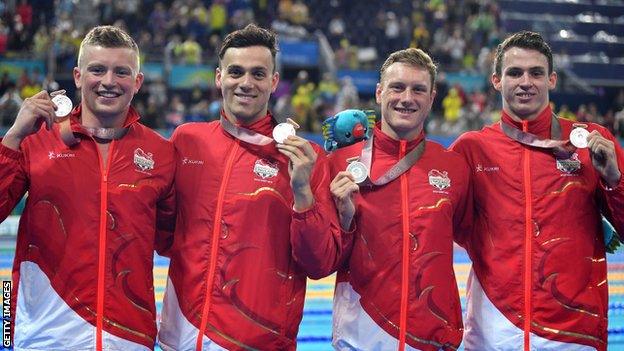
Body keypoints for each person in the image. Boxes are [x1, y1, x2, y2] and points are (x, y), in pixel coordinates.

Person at [157, 24, 341, 351]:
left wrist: (303, 194)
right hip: (181, 335)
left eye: (258, 74)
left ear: (273, 82)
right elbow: (162, 235)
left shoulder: (305, 158)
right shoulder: (187, 141)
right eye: (236, 72)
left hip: (257, 340)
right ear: (219, 77)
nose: (246, 83)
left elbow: (320, 264)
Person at [0, 26, 175, 350]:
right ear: (78, 76)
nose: (109, 81)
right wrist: (11, 139)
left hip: (128, 337)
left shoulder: (160, 153)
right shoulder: (36, 140)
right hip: (45, 335)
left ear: (137, 82)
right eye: (98, 69)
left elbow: (175, 244)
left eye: (121, 72)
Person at [450, 31, 624, 351]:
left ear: (552, 80)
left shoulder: (592, 142)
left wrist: (614, 181)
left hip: (574, 333)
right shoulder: (472, 149)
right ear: (496, 81)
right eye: (514, 73)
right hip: (494, 329)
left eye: (536, 73)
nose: (525, 81)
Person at [326, 48, 473, 350]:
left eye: (418, 89)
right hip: (362, 335)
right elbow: (321, 259)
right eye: (397, 87)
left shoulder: (454, 166)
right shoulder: (340, 163)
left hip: (432, 338)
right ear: (379, 93)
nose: (407, 98)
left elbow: (476, 239)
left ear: (432, 98)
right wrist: (342, 218)